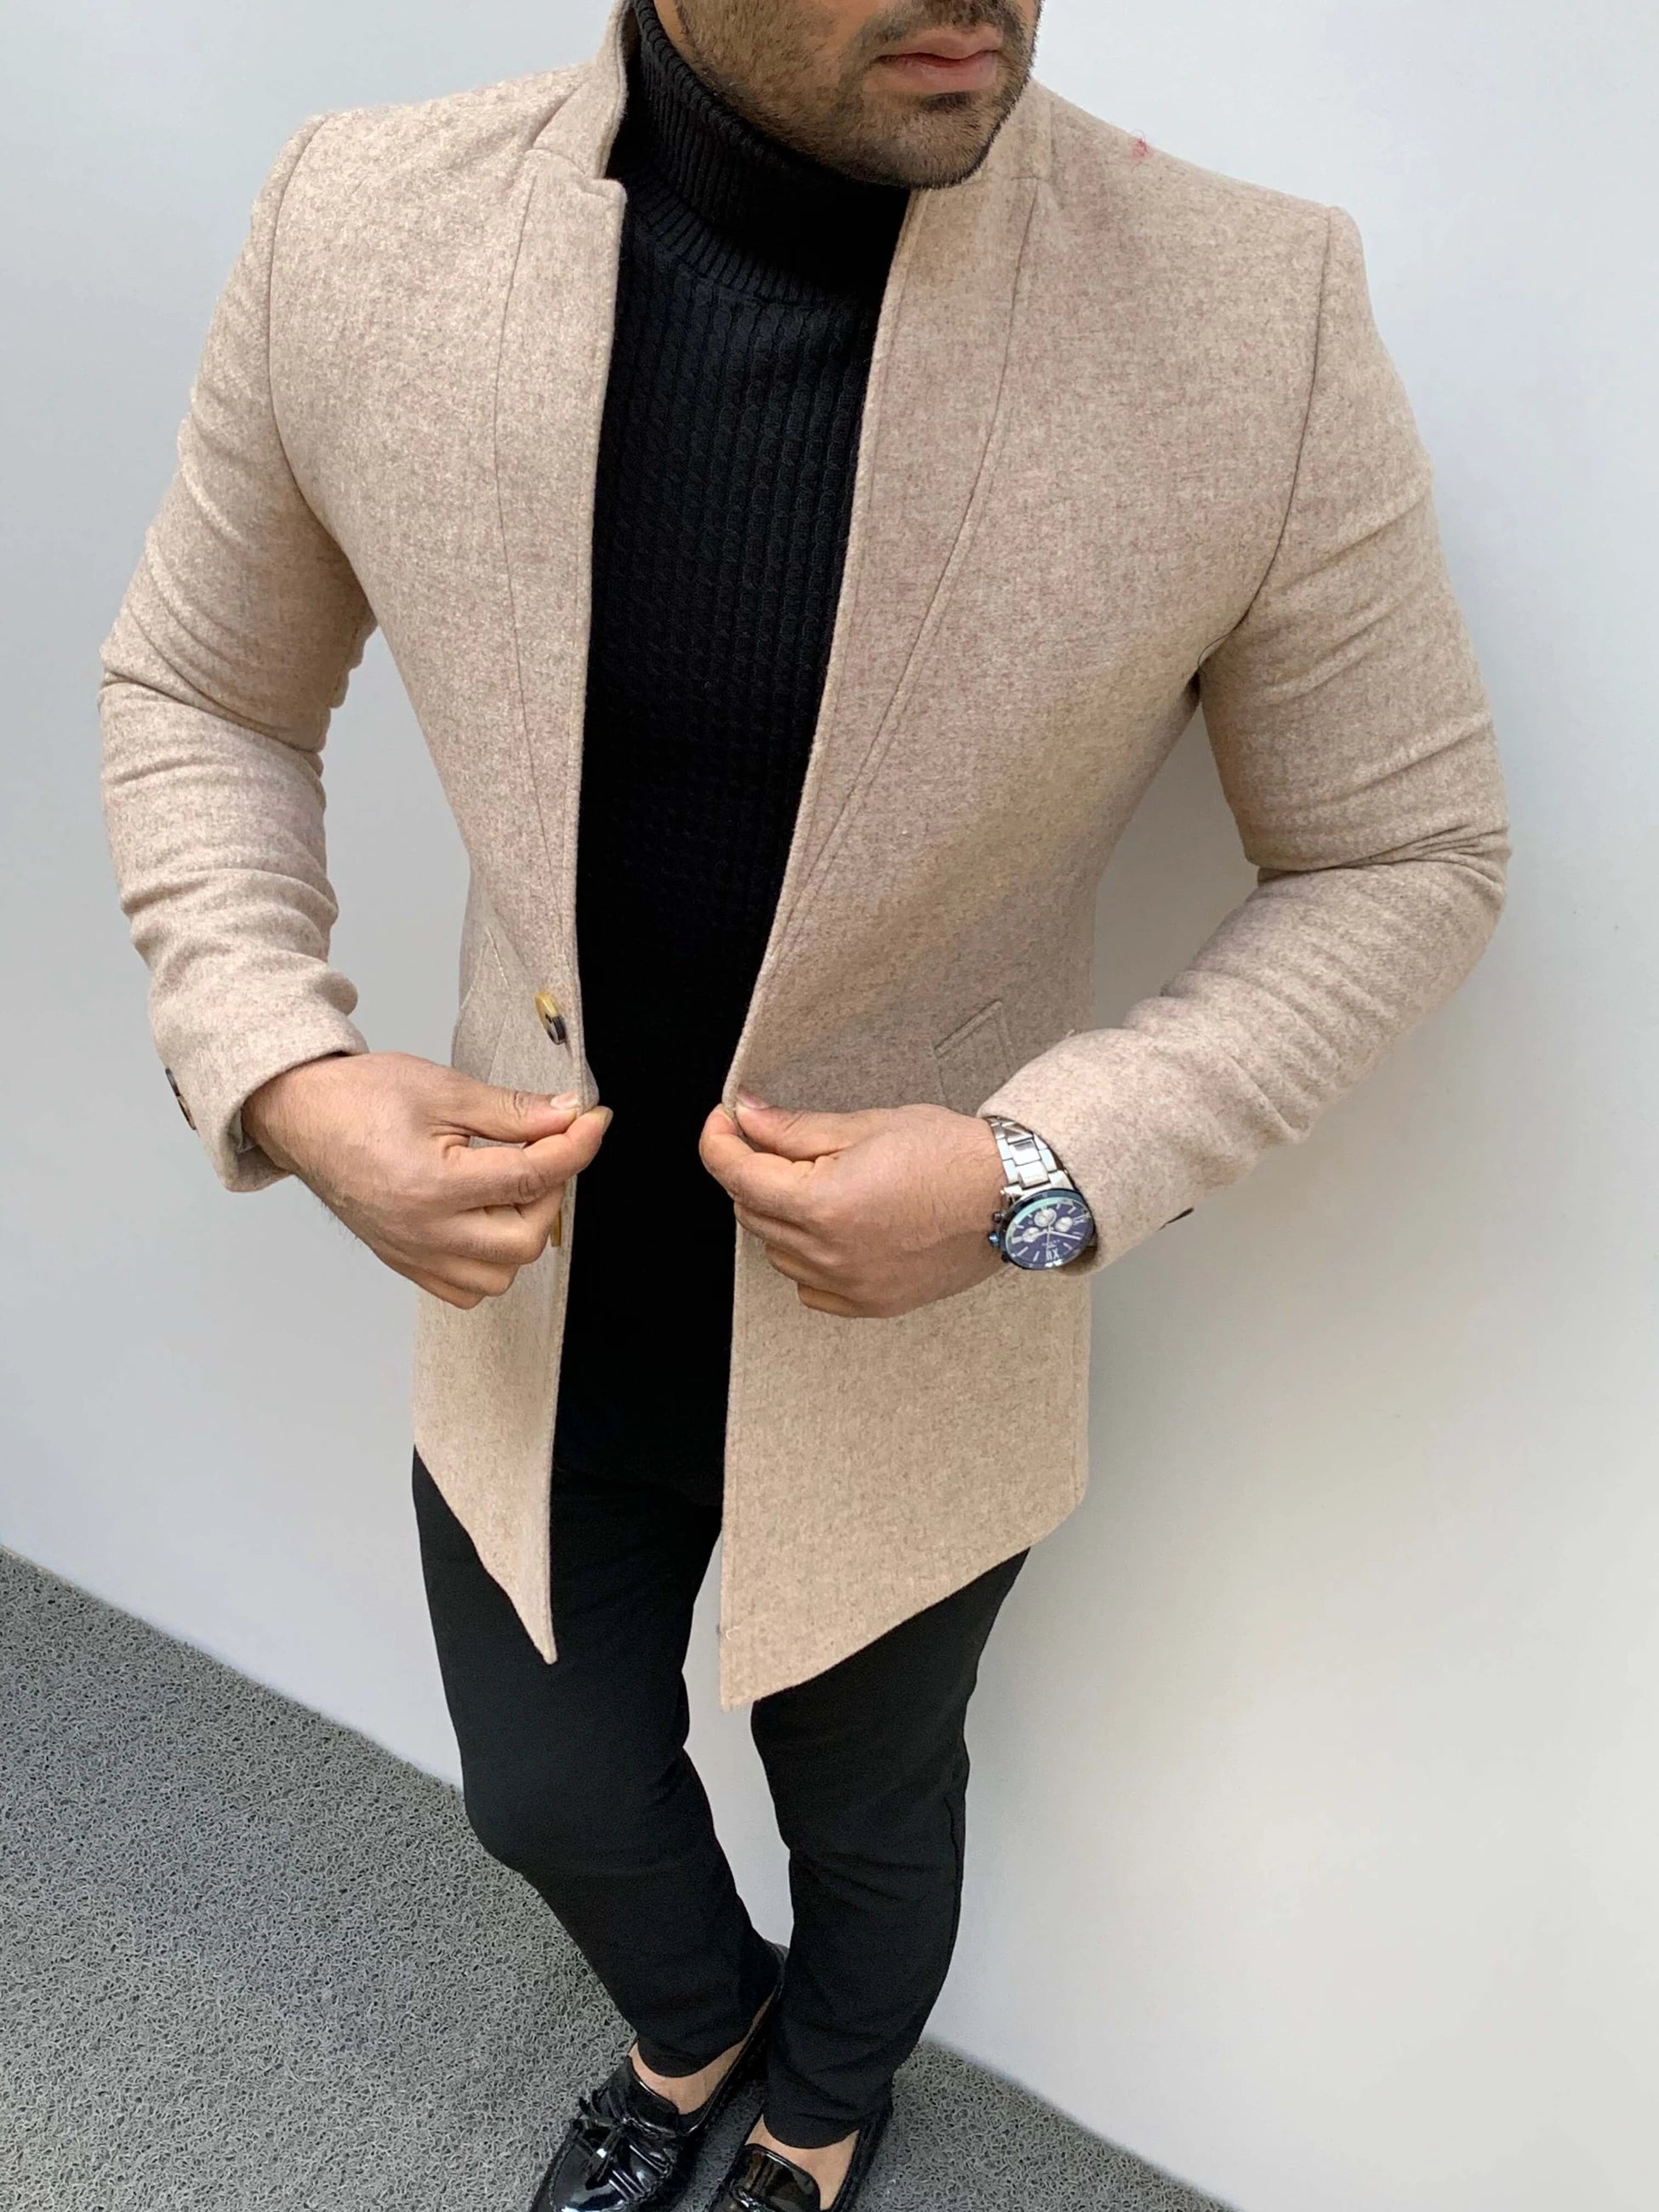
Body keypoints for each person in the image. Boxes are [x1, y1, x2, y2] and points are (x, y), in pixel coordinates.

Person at [98, 0, 1510, 2204]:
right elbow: (199, 687)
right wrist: (281, 1063)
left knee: (872, 1807)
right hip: (526, 1284)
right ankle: (695, 2037)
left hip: (929, 1306)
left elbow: (1403, 853)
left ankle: (826, 2108)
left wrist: (1045, 1174)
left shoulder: (1257, 312)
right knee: (547, 1791)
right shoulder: (357, 224)